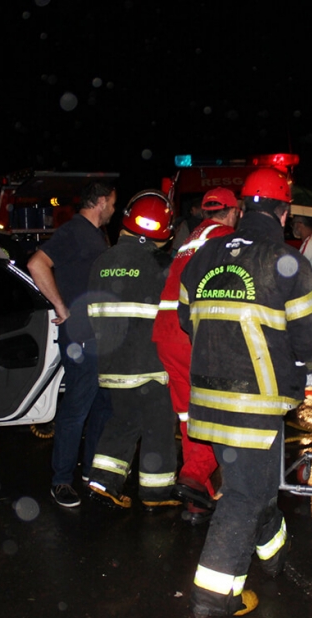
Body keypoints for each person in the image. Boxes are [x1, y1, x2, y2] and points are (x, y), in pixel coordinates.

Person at [179, 168, 312, 617]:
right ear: (283, 213)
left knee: (256, 486)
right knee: (245, 496)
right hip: (256, 403)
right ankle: (213, 597)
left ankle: (274, 555)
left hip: (209, 398)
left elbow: (188, 320)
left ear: (243, 209)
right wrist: (297, 370)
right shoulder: (285, 261)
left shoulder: (204, 255)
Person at [83, 190, 180, 509]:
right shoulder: (159, 264)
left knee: (123, 422)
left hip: (111, 364)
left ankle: (102, 481)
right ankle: (156, 494)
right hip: (150, 365)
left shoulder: (102, 261)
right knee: (159, 426)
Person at [152, 186, 242, 524]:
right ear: (233, 212)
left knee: (191, 417)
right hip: (191, 334)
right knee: (218, 411)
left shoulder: (191, 237)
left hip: (166, 333)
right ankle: (193, 475)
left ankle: (196, 501)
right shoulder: (226, 238)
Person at [27, 180, 116, 508]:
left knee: (103, 407)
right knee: (76, 409)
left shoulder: (95, 235)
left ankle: (92, 474)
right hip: (82, 338)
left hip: (100, 338)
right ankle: (61, 480)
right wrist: (60, 307)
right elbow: (37, 263)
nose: (114, 210)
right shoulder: (74, 231)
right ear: (101, 201)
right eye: (113, 204)